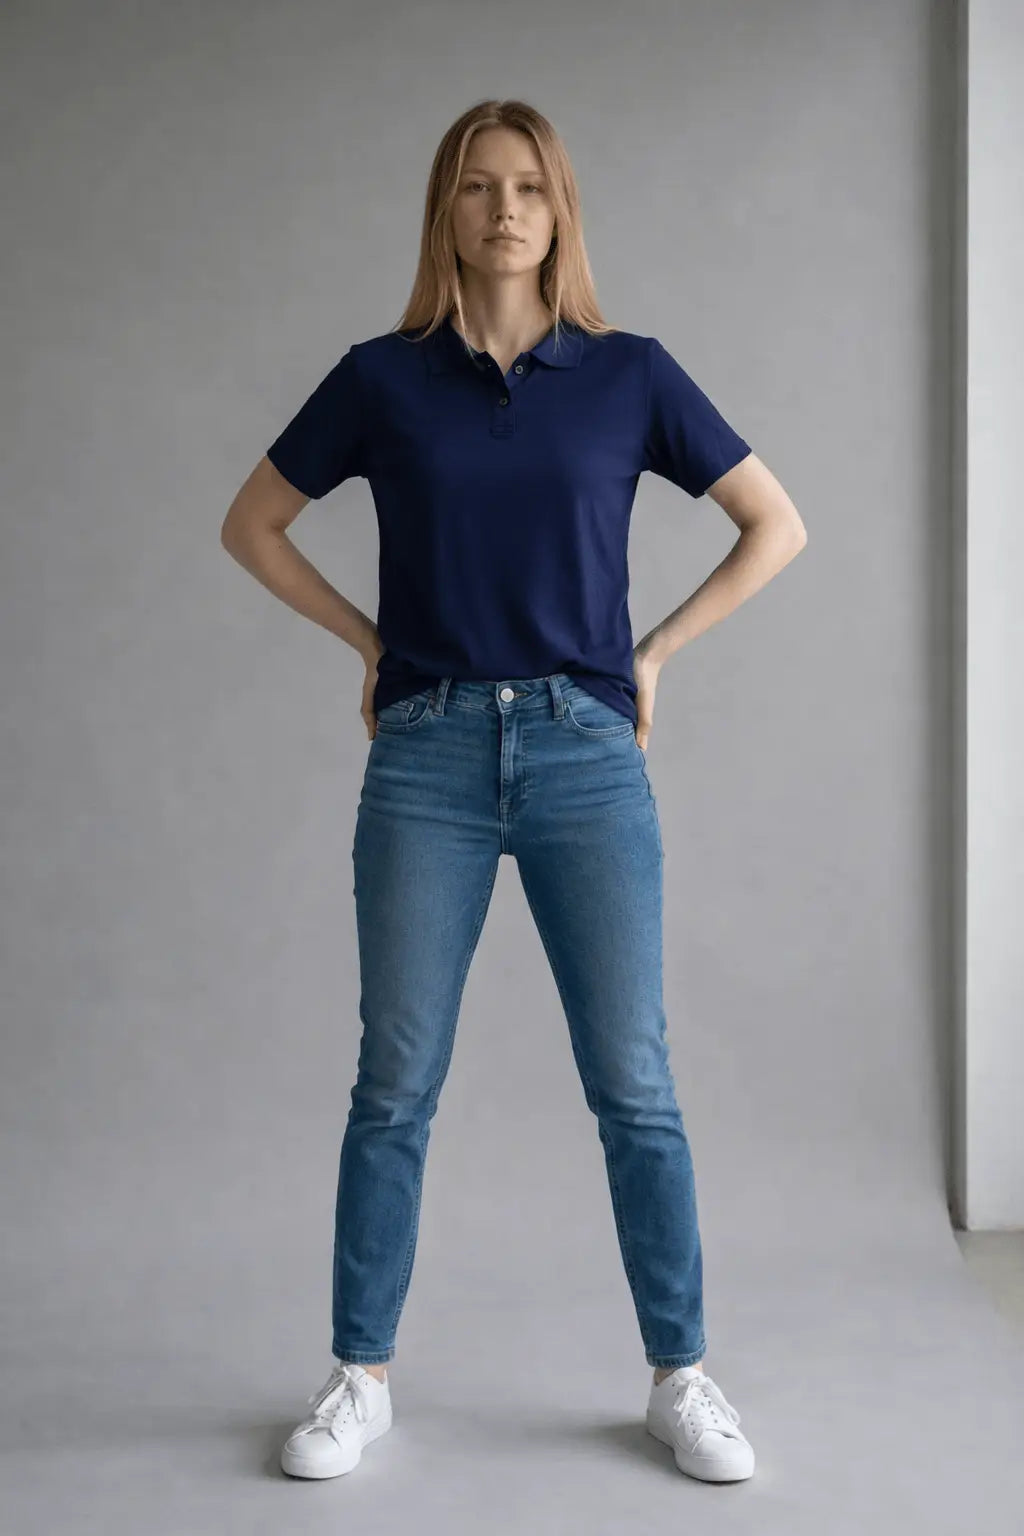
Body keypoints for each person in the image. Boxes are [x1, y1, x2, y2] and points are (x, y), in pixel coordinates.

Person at [221, 98, 806, 1487]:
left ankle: (681, 1376)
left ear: (560, 210)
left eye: (529, 188)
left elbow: (773, 524)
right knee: (395, 1080)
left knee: (634, 1080)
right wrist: (368, 643)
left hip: (582, 753)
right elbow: (253, 524)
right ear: (447, 207)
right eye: (480, 187)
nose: (504, 211)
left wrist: (651, 653)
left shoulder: (628, 374)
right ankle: (360, 1376)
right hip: (425, 755)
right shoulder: (383, 379)